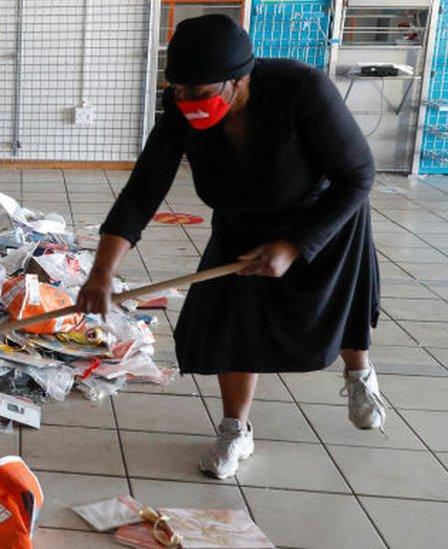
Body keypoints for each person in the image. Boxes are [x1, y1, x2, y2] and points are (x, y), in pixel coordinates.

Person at [78, 15, 382, 479]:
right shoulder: (182, 106)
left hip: (321, 216)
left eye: (198, 94)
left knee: (335, 307)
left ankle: (359, 374)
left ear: (240, 79)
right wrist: (101, 273)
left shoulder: (304, 91)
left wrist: (296, 245)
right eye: (177, 91)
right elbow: (142, 192)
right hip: (242, 222)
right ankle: (235, 428)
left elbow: (358, 175)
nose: (186, 103)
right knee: (230, 325)